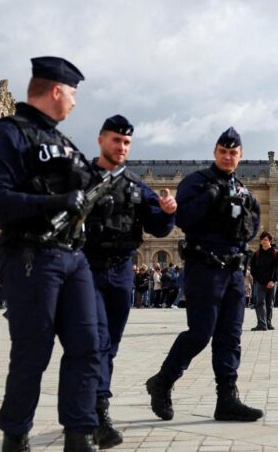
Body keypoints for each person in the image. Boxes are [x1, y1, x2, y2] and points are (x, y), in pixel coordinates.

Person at [0, 57, 101, 450]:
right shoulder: (8, 134)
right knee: (33, 349)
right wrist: (55, 201)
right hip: (32, 253)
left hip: (72, 256)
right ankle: (15, 434)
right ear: (55, 90)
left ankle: (79, 433)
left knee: (88, 343)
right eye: (73, 94)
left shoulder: (65, 142)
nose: (75, 104)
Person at [146, 127, 263, 423]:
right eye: (223, 151)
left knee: (231, 336)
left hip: (234, 271)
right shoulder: (196, 182)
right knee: (200, 333)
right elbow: (182, 218)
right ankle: (163, 381)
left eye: (233, 152)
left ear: (240, 155)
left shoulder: (244, 192)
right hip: (205, 267)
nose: (227, 156)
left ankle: (227, 399)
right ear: (215, 152)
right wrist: (211, 197)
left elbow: (252, 227)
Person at [84, 114, 177, 448]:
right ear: (101, 140)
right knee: (95, 341)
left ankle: (96, 408)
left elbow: (159, 228)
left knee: (110, 344)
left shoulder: (136, 185)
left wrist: (168, 211)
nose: (121, 146)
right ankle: (96, 413)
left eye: (126, 142)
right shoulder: (81, 179)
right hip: (87, 269)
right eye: (115, 140)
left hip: (123, 269)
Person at [250, 232, 278, 330]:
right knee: (260, 302)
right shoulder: (257, 254)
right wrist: (259, 280)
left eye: (266, 239)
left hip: (272, 282)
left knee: (270, 303)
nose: (264, 241)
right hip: (260, 282)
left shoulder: (275, 253)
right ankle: (262, 323)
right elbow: (253, 269)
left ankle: (268, 322)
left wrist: (273, 280)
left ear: (270, 241)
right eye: (262, 239)